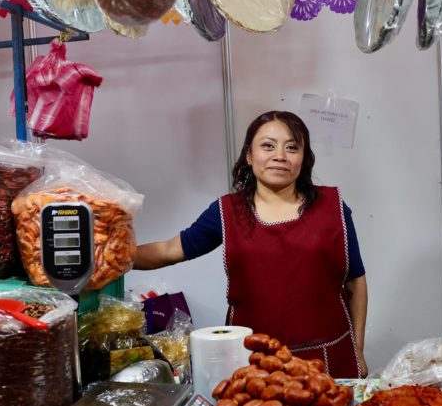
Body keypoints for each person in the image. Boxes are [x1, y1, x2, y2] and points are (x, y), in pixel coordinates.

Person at [135, 111, 368, 378]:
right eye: (268, 145)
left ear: (304, 158)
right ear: (249, 155)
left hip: (328, 360)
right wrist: (112, 258)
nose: (280, 155)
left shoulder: (333, 208)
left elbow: (356, 281)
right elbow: (168, 250)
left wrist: (357, 349)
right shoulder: (226, 212)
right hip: (253, 362)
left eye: (292, 147)